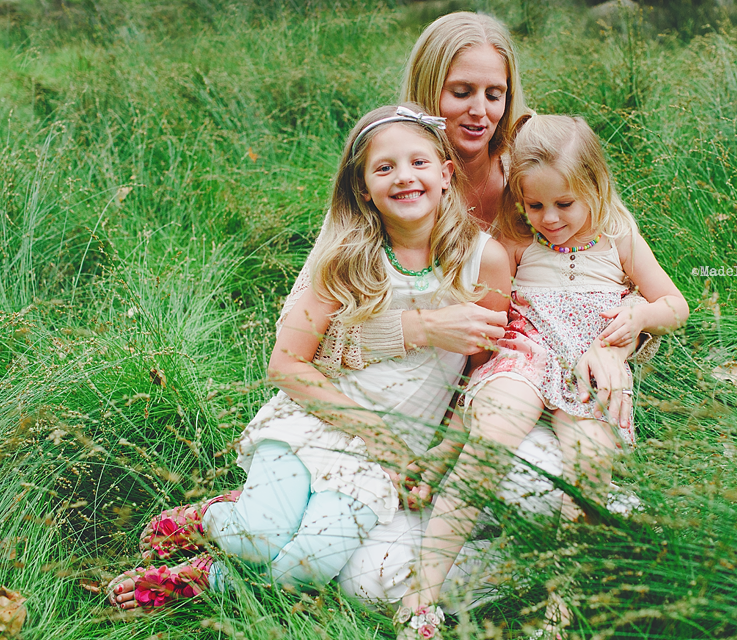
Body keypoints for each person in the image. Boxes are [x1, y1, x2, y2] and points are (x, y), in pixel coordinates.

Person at [106, 103, 512, 610]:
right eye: (384, 168)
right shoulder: (345, 257)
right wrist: (377, 434)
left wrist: (435, 457)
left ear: (447, 173)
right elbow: (286, 363)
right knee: (257, 537)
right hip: (316, 422)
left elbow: (480, 379)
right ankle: (210, 518)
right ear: (363, 187)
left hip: (388, 457)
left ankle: (206, 579)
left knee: (306, 568)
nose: (405, 178)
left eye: (419, 163)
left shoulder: (484, 261)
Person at [394, 114, 689, 639]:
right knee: (492, 440)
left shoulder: (619, 236)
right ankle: (423, 592)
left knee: (590, 467)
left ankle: (561, 606)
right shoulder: (513, 241)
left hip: (589, 366)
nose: (550, 219)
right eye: (536, 205)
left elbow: (675, 304)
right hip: (527, 353)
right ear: (519, 200)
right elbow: (490, 325)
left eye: (564, 204)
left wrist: (641, 315)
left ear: (595, 186)